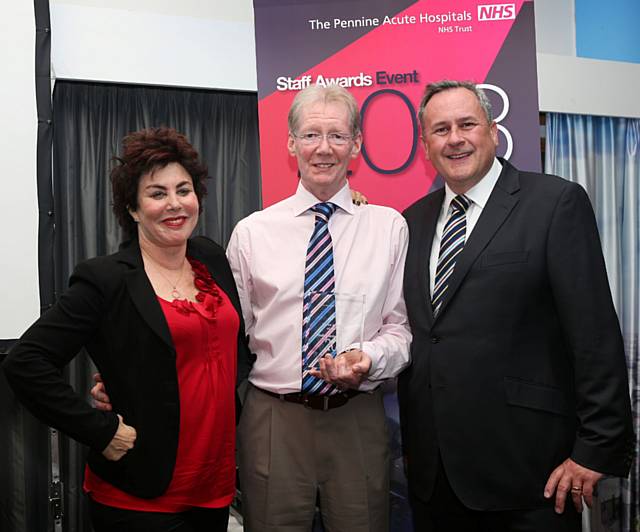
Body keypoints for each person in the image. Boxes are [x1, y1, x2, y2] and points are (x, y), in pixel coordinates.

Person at [398, 80, 634, 531]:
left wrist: (596, 448)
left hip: (532, 477)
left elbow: (594, 335)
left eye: (467, 124)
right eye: (440, 129)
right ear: (425, 145)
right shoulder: (412, 221)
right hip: (436, 479)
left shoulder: (553, 203)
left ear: (491, 129)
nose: (455, 138)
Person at [2, 127, 251, 532]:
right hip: (139, 494)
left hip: (214, 484)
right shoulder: (106, 279)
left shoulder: (210, 257)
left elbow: (220, 348)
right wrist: (100, 431)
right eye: (157, 194)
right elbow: (25, 362)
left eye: (183, 190)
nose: (175, 204)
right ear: (132, 209)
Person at [225, 84, 412, 532]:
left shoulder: (389, 227)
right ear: (291, 144)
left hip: (358, 418)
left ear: (356, 146)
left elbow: (401, 330)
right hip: (273, 418)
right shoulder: (252, 233)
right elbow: (231, 337)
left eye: (337, 136)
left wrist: (370, 359)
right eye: (310, 135)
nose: (323, 149)